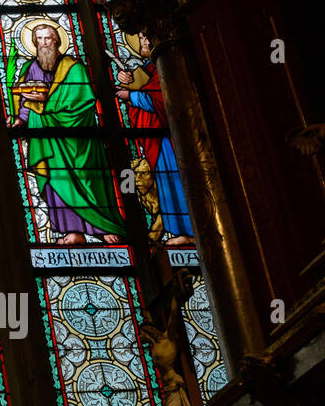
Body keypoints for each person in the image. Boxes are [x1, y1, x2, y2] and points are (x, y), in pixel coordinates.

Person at [10, 21, 125, 245]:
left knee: (87, 179)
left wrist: (47, 102)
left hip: (78, 140)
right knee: (55, 181)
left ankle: (100, 226)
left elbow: (82, 103)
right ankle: (72, 232)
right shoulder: (29, 69)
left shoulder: (74, 68)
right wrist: (20, 119)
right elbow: (24, 101)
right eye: (39, 39)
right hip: (47, 139)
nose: (43, 43)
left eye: (48, 38)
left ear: (57, 41)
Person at [115, 32, 194, 246]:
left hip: (169, 139)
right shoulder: (150, 68)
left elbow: (163, 99)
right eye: (140, 39)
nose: (143, 42)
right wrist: (131, 83)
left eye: (145, 38)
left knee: (176, 179)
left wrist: (130, 96)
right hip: (157, 138)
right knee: (165, 181)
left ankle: (190, 231)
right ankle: (179, 231)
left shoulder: (167, 66)